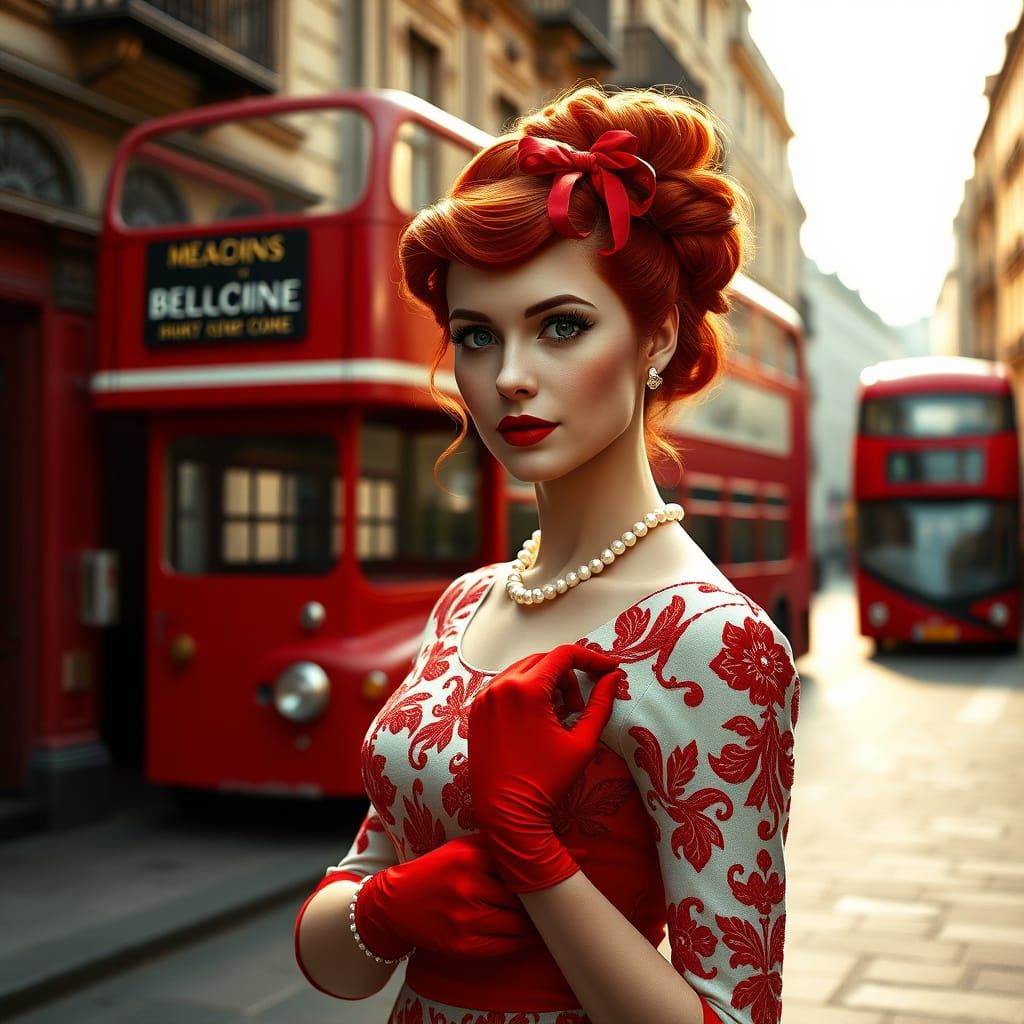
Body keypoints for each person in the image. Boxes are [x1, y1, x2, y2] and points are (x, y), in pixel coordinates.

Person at [294, 81, 799, 1024]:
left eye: (560, 326)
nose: (509, 377)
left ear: (657, 338)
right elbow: (344, 949)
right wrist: (384, 906)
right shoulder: (467, 602)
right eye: (476, 336)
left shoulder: (721, 644)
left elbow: (732, 1016)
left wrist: (535, 856)